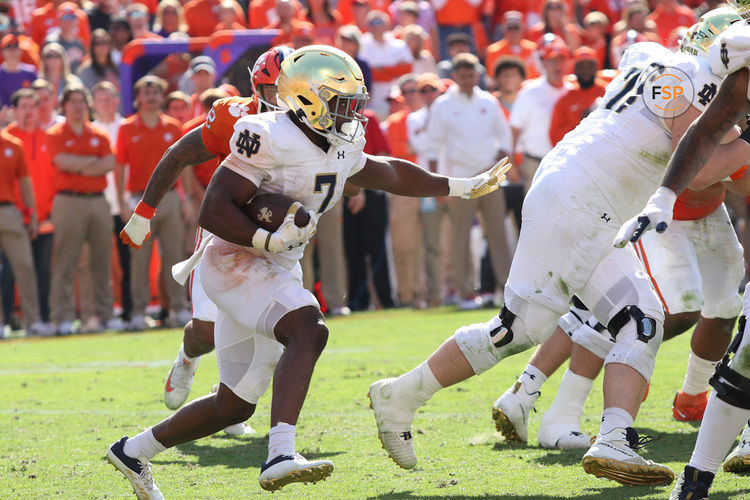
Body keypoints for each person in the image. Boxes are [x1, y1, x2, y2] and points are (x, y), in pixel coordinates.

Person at [107, 44, 509, 496]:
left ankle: (133, 451)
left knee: (234, 405)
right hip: (237, 258)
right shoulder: (264, 133)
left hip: (277, 262)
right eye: (342, 103)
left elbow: (388, 173)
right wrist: (264, 238)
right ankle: (281, 452)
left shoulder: (340, 140)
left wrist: (459, 186)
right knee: (308, 328)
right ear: (307, 98)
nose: (351, 113)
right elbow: (213, 209)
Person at [368, 25, 750, 487]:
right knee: (519, 327)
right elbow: (697, 169)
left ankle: (615, 438)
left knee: (641, 318)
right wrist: (742, 143)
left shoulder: (653, 58)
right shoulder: (692, 79)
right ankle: (400, 395)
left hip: (593, 198)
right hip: (580, 196)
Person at [119, 48, 293, 435]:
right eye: (278, 88)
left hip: (275, 239)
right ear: (259, 86)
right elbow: (179, 152)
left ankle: (229, 401)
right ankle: (186, 357)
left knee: (278, 331)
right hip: (225, 231)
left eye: (292, 88)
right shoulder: (234, 115)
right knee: (204, 333)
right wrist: (144, 211)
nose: (286, 97)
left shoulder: (312, 124)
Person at [617, 6, 750, 498]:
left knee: (723, 312)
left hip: (706, 214)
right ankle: (681, 469)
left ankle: (695, 406)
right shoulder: (685, 76)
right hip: (663, 214)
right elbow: (703, 151)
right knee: (668, 315)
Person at [426, 52, 512, 310]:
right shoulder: (443, 105)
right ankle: (465, 293)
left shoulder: (488, 101)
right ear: (454, 76)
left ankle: (507, 291)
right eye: (462, 75)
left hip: (488, 177)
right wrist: (435, 183)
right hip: (460, 178)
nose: (466, 79)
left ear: (477, 75)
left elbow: (505, 137)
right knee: (460, 237)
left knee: (498, 234)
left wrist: (496, 168)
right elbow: (432, 146)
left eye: (471, 75)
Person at [115, 76, 187, 331]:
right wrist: (123, 203)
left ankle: (179, 309)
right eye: (147, 92)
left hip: (169, 197)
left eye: (156, 91)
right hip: (140, 198)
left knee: (174, 256)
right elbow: (120, 166)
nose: (152, 96)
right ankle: (137, 312)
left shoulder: (174, 126)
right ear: (137, 97)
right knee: (139, 261)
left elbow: (184, 164)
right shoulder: (126, 127)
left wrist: (186, 198)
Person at [47, 85, 116, 335]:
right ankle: (62, 317)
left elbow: (109, 163)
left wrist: (78, 165)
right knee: (66, 260)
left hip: (98, 200)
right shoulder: (55, 133)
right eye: (73, 102)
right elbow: (60, 162)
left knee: (101, 260)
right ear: (64, 106)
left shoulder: (99, 132)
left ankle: (105, 315)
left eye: (82, 102)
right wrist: (92, 163)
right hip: (68, 201)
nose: (78, 107)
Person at [5, 88, 55, 330]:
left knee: (40, 271)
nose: (28, 111)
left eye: (31, 106)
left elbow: (51, 177)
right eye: (22, 106)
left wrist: (42, 213)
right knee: (8, 273)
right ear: (13, 110)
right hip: (13, 214)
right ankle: (10, 319)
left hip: (42, 215)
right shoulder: (8, 138)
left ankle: (40, 319)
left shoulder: (48, 137)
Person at [0, 109, 47, 337]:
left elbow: (26, 183)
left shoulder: (13, 144)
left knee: (25, 267)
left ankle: (33, 320)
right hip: (8, 212)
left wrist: (33, 215)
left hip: (9, 210)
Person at [509, 39, 573, 190]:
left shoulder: (573, 91)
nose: (557, 65)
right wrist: (511, 163)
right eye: (552, 61)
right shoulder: (529, 92)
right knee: (534, 211)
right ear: (544, 63)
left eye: (561, 60)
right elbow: (514, 130)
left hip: (566, 164)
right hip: (535, 163)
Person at [548, 46, 607, 146]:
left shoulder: (608, 92)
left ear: (596, 67)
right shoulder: (566, 99)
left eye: (590, 66)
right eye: (581, 66)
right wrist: (579, 122)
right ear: (574, 69)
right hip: (576, 155)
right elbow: (554, 137)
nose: (585, 70)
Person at [0, 34, 36, 107]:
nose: (12, 50)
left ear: (20, 50)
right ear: (2, 52)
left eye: (16, 46)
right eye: (8, 47)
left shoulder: (30, 73)